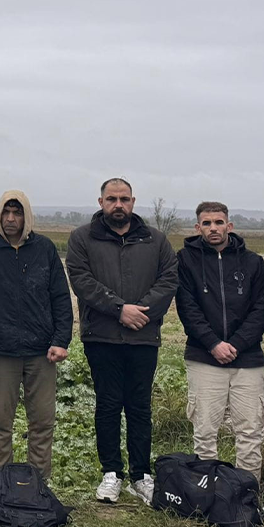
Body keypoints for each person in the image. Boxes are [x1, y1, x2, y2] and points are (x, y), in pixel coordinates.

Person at [66, 178, 178, 505]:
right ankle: (111, 473)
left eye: (124, 199)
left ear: (133, 202)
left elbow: (169, 279)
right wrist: (119, 310)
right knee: (109, 404)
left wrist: (139, 312)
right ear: (101, 202)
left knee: (140, 406)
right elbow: (82, 281)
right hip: (101, 337)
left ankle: (141, 475)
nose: (119, 205)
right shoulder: (82, 238)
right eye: (112, 199)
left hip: (143, 336)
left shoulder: (155, 240)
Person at [0, 191, 73, 482]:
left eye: (17, 212)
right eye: (6, 212)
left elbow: (61, 298)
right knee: (0, 422)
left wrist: (61, 340)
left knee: (42, 422)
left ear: (27, 216)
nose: (11, 218)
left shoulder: (45, 249)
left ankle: (38, 485)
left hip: (41, 352)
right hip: (0, 352)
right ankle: (1, 485)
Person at [175, 202, 264, 478]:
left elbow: (262, 308)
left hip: (248, 359)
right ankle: (210, 495)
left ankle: (248, 494)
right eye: (207, 223)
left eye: (219, 222)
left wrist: (238, 343)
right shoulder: (185, 260)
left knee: (250, 431)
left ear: (229, 226)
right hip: (204, 357)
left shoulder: (253, 262)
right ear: (198, 227)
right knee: (205, 431)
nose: (213, 228)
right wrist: (213, 344)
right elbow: (187, 307)